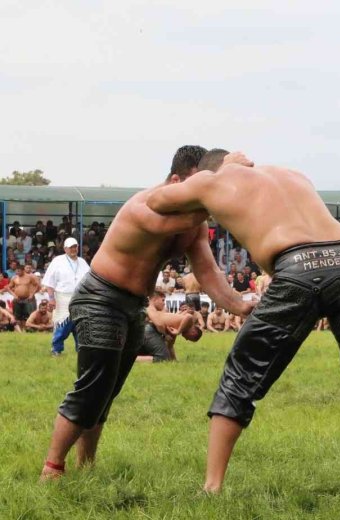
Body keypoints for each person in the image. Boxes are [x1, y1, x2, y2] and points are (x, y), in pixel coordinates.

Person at [145, 149, 340, 509]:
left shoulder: (211, 180)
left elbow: (156, 199)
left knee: (242, 372)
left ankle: (212, 486)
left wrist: (212, 177)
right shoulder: (292, 173)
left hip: (298, 265)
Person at [40, 145, 251, 481]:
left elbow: (208, 273)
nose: (203, 194)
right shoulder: (146, 204)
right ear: (176, 180)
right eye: (199, 186)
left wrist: (241, 305)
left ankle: (86, 466)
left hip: (134, 305)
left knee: (108, 390)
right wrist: (221, 185)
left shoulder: (194, 222)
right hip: (100, 298)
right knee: (92, 387)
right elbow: (176, 221)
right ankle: (51, 469)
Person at [41, 237, 91, 355]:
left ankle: (81, 350)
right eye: (71, 247)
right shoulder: (57, 261)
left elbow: (90, 280)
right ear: (65, 249)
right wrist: (51, 299)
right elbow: (49, 281)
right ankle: (56, 349)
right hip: (62, 297)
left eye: (75, 246)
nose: (73, 249)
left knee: (80, 324)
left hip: (80, 297)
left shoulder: (82, 262)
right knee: (62, 324)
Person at [137, 292, 203, 362]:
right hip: (150, 329)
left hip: (150, 330)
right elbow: (189, 317)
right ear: (193, 333)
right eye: (189, 338)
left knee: (162, 355)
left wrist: (175, 361)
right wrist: (178, 331)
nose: (186, 339)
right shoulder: (189, 324)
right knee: (162, 358)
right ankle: (131, 359)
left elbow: (170, 346)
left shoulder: (176, 327)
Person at [1, 264, 41, 331]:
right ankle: (20, 331)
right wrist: (14, 295)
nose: (17, 273)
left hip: (28, 299)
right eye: (16, 271)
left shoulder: (30, 277)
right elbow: (8, 287)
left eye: (19, 271)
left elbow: (38, 286)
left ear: (23, 271)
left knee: (28, 315)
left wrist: (32, 294)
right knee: (17, 316)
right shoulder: (14, 278)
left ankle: (27, 329)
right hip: (17, 299)